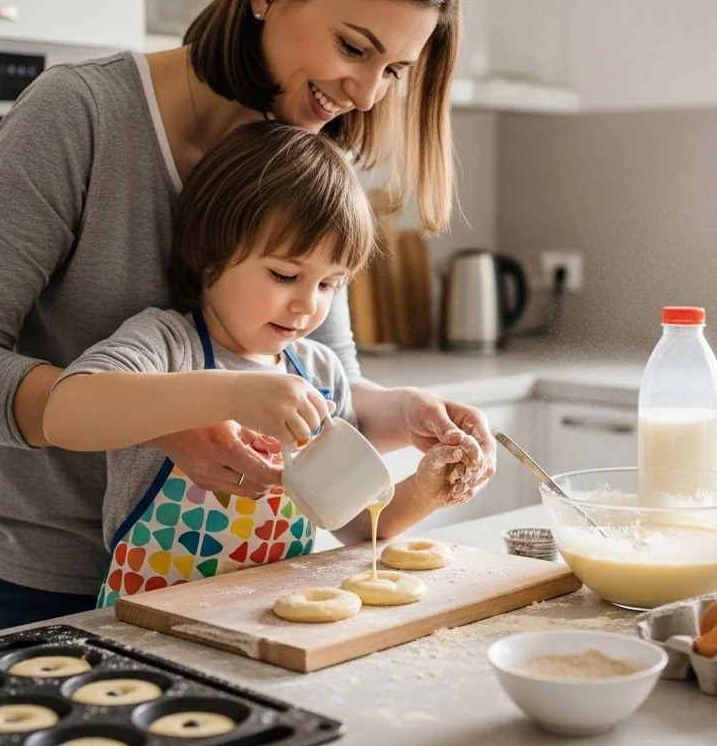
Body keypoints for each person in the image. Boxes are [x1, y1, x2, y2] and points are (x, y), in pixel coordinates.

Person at [0, 0, 496, 637]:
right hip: (50, 584)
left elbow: (321, 384)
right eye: (354, 47)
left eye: (393, 71)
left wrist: (407, 412)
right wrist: (172, 415)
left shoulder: (314, 147)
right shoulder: (81, 115)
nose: (365, 94)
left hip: (236, 591)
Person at [43, 121, 475, 607]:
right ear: (210, 256)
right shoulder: (167, 344)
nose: (307, 305)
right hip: (148, 628)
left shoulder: (319, 373)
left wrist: (430, 486)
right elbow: (64, 413)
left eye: (329, 284)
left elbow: (356, 523)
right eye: (285, 274)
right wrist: (233, 395)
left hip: (270, 625)